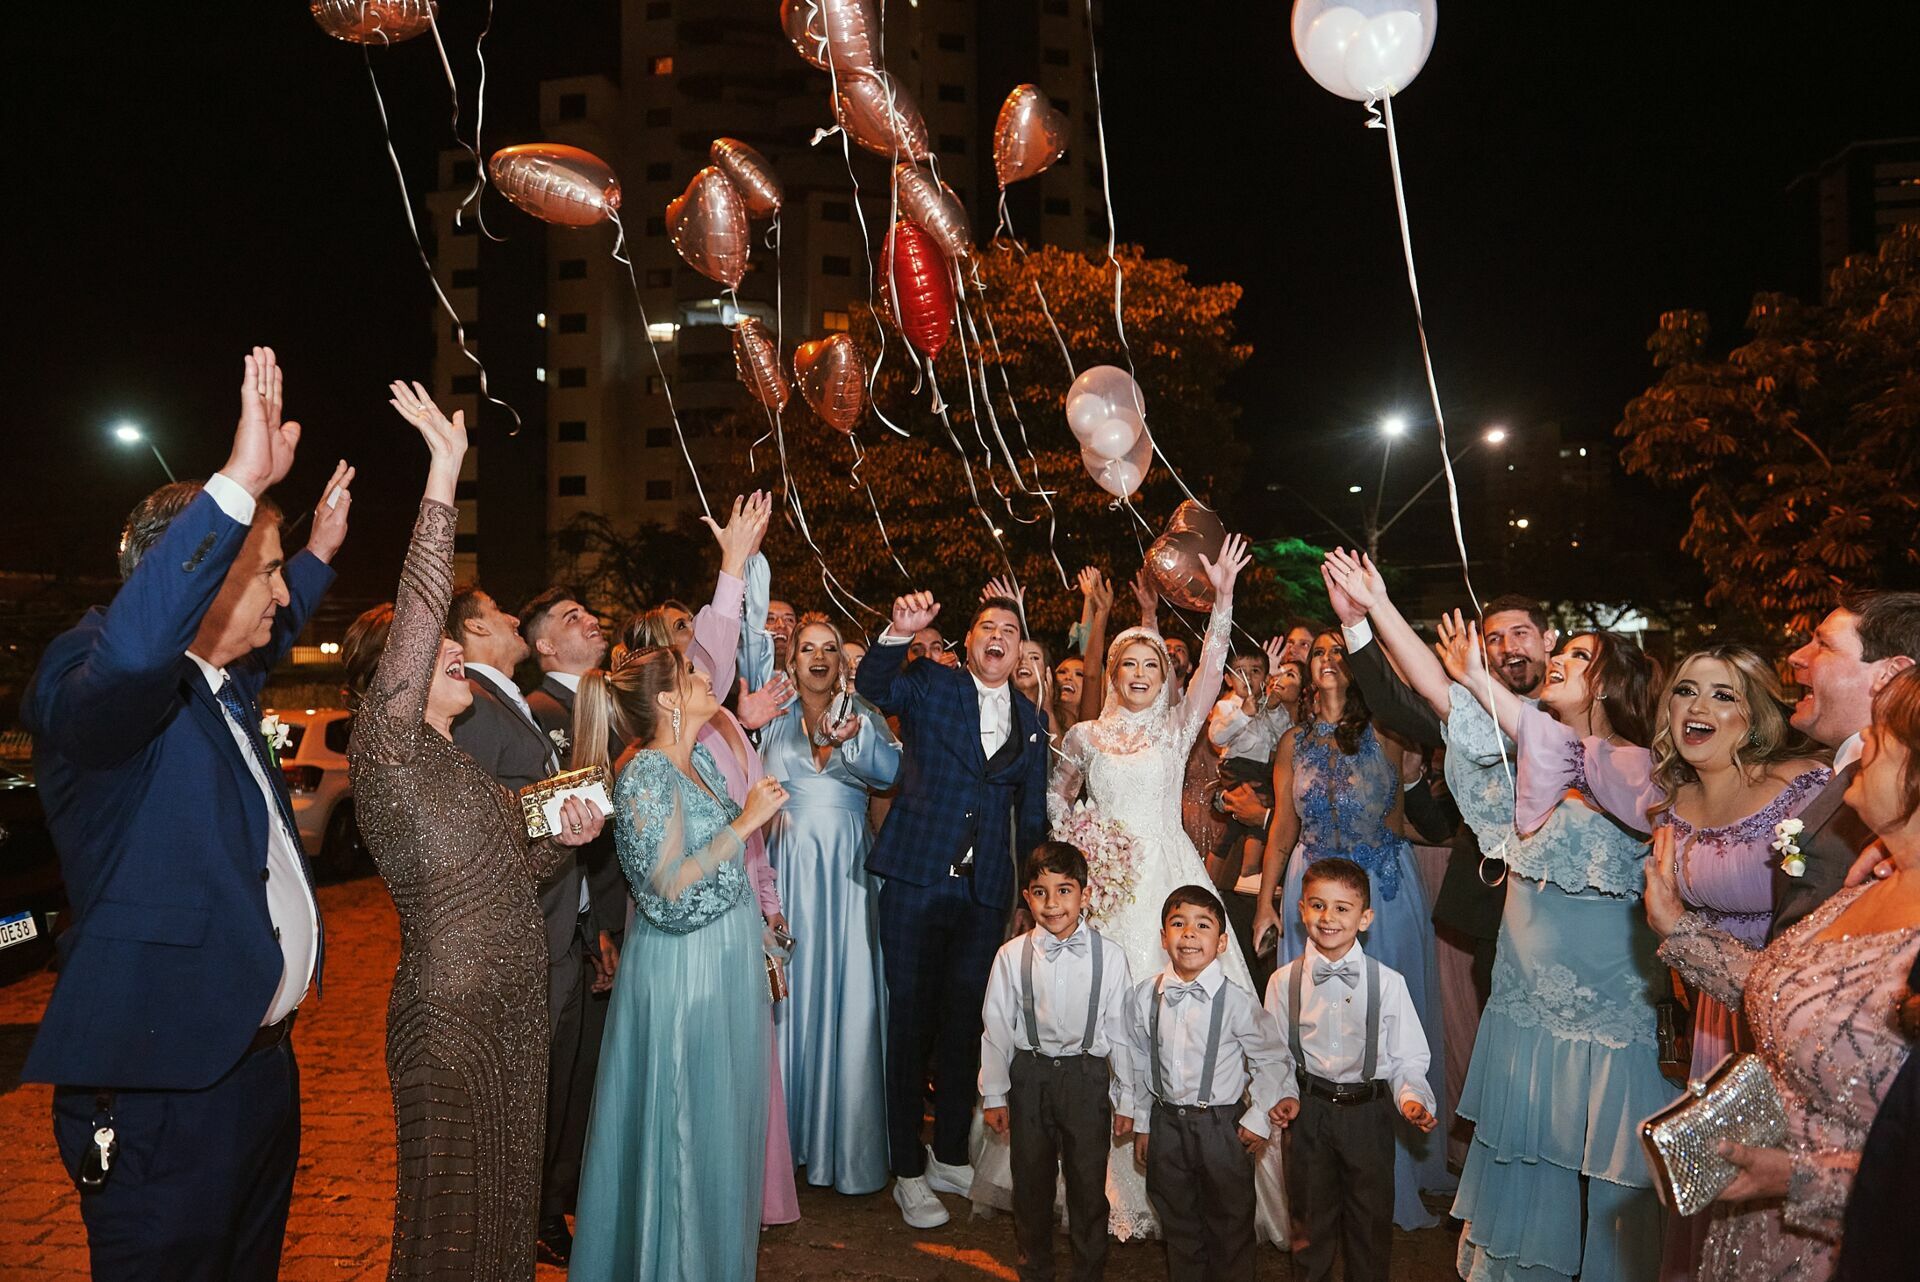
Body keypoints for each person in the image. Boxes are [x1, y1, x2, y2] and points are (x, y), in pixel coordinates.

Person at [23, 347, 344, 1278]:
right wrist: (237, 484)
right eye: (266, 571)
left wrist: (317, 553)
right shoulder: (91, 669)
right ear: (196, 577)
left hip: (257, 1071)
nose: (282, 594)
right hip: (167, 1090)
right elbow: (135, 657)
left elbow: (273, 617)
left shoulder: (220, 680)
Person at [1342, 549, 1675, 1280]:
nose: (1560, 661)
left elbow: (1533, 729)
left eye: (1579, 656)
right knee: (1530, 1151)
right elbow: (1435, 689)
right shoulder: (1520, 749)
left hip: (1608, 1005)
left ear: (1610, 682)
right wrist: (1376, 604)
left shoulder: (1639, 765)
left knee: (1610, 1169)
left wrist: (1474, 677)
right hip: (1525, 996)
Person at [346, 381, 607, 1281]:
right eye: (438, 652)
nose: (454, 651)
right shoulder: (388, 751)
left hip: (514, 1011)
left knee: (501, 1212)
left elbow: (509, 871)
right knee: (449, 1221)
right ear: (393, 680)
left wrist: (564, 837)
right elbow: (424, 606)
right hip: (451, 1016)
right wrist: (444, 474)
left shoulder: (457, 765)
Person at [1045, 536, 1289, 1243]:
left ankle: (1197, 1168)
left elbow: (1212, 668)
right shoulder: (1083, 737)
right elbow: (1057, 800)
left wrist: (1224, 598)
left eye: (1152, 664)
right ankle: (1106, 1183)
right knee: (1099, 1031)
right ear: (1113, 672)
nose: (1140, 673)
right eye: (1129, 663)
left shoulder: (1180, 730)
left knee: (1189, 1028)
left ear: (1164, 675)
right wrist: (1084, 849)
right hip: (1104, 893)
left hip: (1170, 885)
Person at [1645, 667, 1920, 1282]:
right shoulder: (1865, 885)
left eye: (1881, 739)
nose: (1861, 746)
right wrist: (1675, 927)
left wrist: (1796, 1177)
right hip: (1751, 1237)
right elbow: (1787, 995)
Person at [567, 645, 787, 1280]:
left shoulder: (701, 762)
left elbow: (718, 869)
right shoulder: (645, 775)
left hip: (725, 964)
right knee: (685, 1127)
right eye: (691, 672)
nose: (705, 674)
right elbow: (665, 893)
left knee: (722, 1129)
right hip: (685, 974)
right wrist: (746, 824)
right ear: (667, 699)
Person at [854, 589, 1052, 1229]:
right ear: (968, 641)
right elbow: (874, 687)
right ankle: (907, 1171)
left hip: (985, 894)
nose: (998, 636)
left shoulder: (1032, 719)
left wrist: (1032, 898)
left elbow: (1033, 816)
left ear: (1020, 652)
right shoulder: (932, 685)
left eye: (1010, 630)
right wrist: (896, 632)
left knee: (966, 1026)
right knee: (910, 1024)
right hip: (915, 879)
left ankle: (947, 1156)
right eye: (987, 626)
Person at [1250, 628, 1451, 1231]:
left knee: (1387, 1021)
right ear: (1307, 666)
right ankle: (1317, 1166)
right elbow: (1281, 830)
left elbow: (1400, 817)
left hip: (1382, 892)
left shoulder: (1389, 734)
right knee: (1311, 1022)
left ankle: (1394, 1170)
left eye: (1341, 650)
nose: (1330, 659)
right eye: (1320, 651)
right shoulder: (1292, 742)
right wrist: (1265, 904)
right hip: (1310, 892)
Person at [1321, 578, 1554, 1009]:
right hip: (1496, 908)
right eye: (1495, 639)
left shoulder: (1577, 714)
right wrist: (1358, 620)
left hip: (1570, 909)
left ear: (1549, 639)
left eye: (1520, 633)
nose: (1508, 648)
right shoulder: (1473, 714)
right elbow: (1398, 701)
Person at [763, 615, 902, 1196]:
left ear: (842, 662)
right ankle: (781, 1147)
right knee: (786, 996)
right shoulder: (770, 716)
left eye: (828, 649)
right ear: (791, 660)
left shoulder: (862, 713)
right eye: (806, 649)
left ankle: (844, 1147)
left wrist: (854, 739)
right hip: (785, 868)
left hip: (848, 873)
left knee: (851, 993)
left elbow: (890, 773)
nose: (818, 657)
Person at [519, 586, 629, 1264]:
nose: (590, 621)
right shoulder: (541, 713)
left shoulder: (601, 705)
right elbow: (569, 829)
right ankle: (542, 1209)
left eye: (587, 612)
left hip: (602, 917)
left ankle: (572, 1194)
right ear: (544, 646)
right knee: (559, 1078)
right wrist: (596, 926)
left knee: (588, 1074)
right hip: (567, 922)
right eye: (571, 618)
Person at [1265, 858, 1438, 1282]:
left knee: (1370, 1224)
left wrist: (1412, 1098)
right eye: (1318, 905)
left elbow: (1407, 1057)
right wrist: (1283, 1093)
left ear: (1365, 918)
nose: (1328, 917)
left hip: (1367, 1115)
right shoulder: (1282, 982)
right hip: (1308, 1113)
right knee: (1309, 1224)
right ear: (1301, 910)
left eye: (1342, 908)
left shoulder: (1388, 983)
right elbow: (1275, 1055)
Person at [979, 842, 1137, 1282]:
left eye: (1064, 891)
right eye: (1040, 892)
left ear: (1085, 893)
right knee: (1031, 1184)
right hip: (1029, 1078)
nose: (1052, 904)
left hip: (1085, 1079)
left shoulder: (1111, 957)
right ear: (1027, 897)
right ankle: (1035, 1268)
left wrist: (1127, 1099)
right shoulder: (1011, 956)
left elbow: (1122, 1034)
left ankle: (1089, 1271)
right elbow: (996, 1027)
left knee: (1088, 1186)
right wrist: (995, 1094)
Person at [1120, 885, 1293, 1282]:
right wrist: (1143, 1122)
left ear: (1222, 942)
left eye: (1203, 925)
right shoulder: (1145, 996)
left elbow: (1271, 1059)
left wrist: (1258, 1117)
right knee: (1178, 1221)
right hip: (1167, 1125)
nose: (1189, 934)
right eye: (1178, 923)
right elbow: (1138, 1060)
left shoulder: (1237, 1002)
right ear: (1163, 937)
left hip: (1221, 1127)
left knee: (1230, 1222)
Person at [1776, 593, 1920, 936]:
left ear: (1891, 674)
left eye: (1823, 645)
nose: (1795, 657)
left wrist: (1682, 931)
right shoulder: (1839, 775)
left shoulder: (1895, 801)